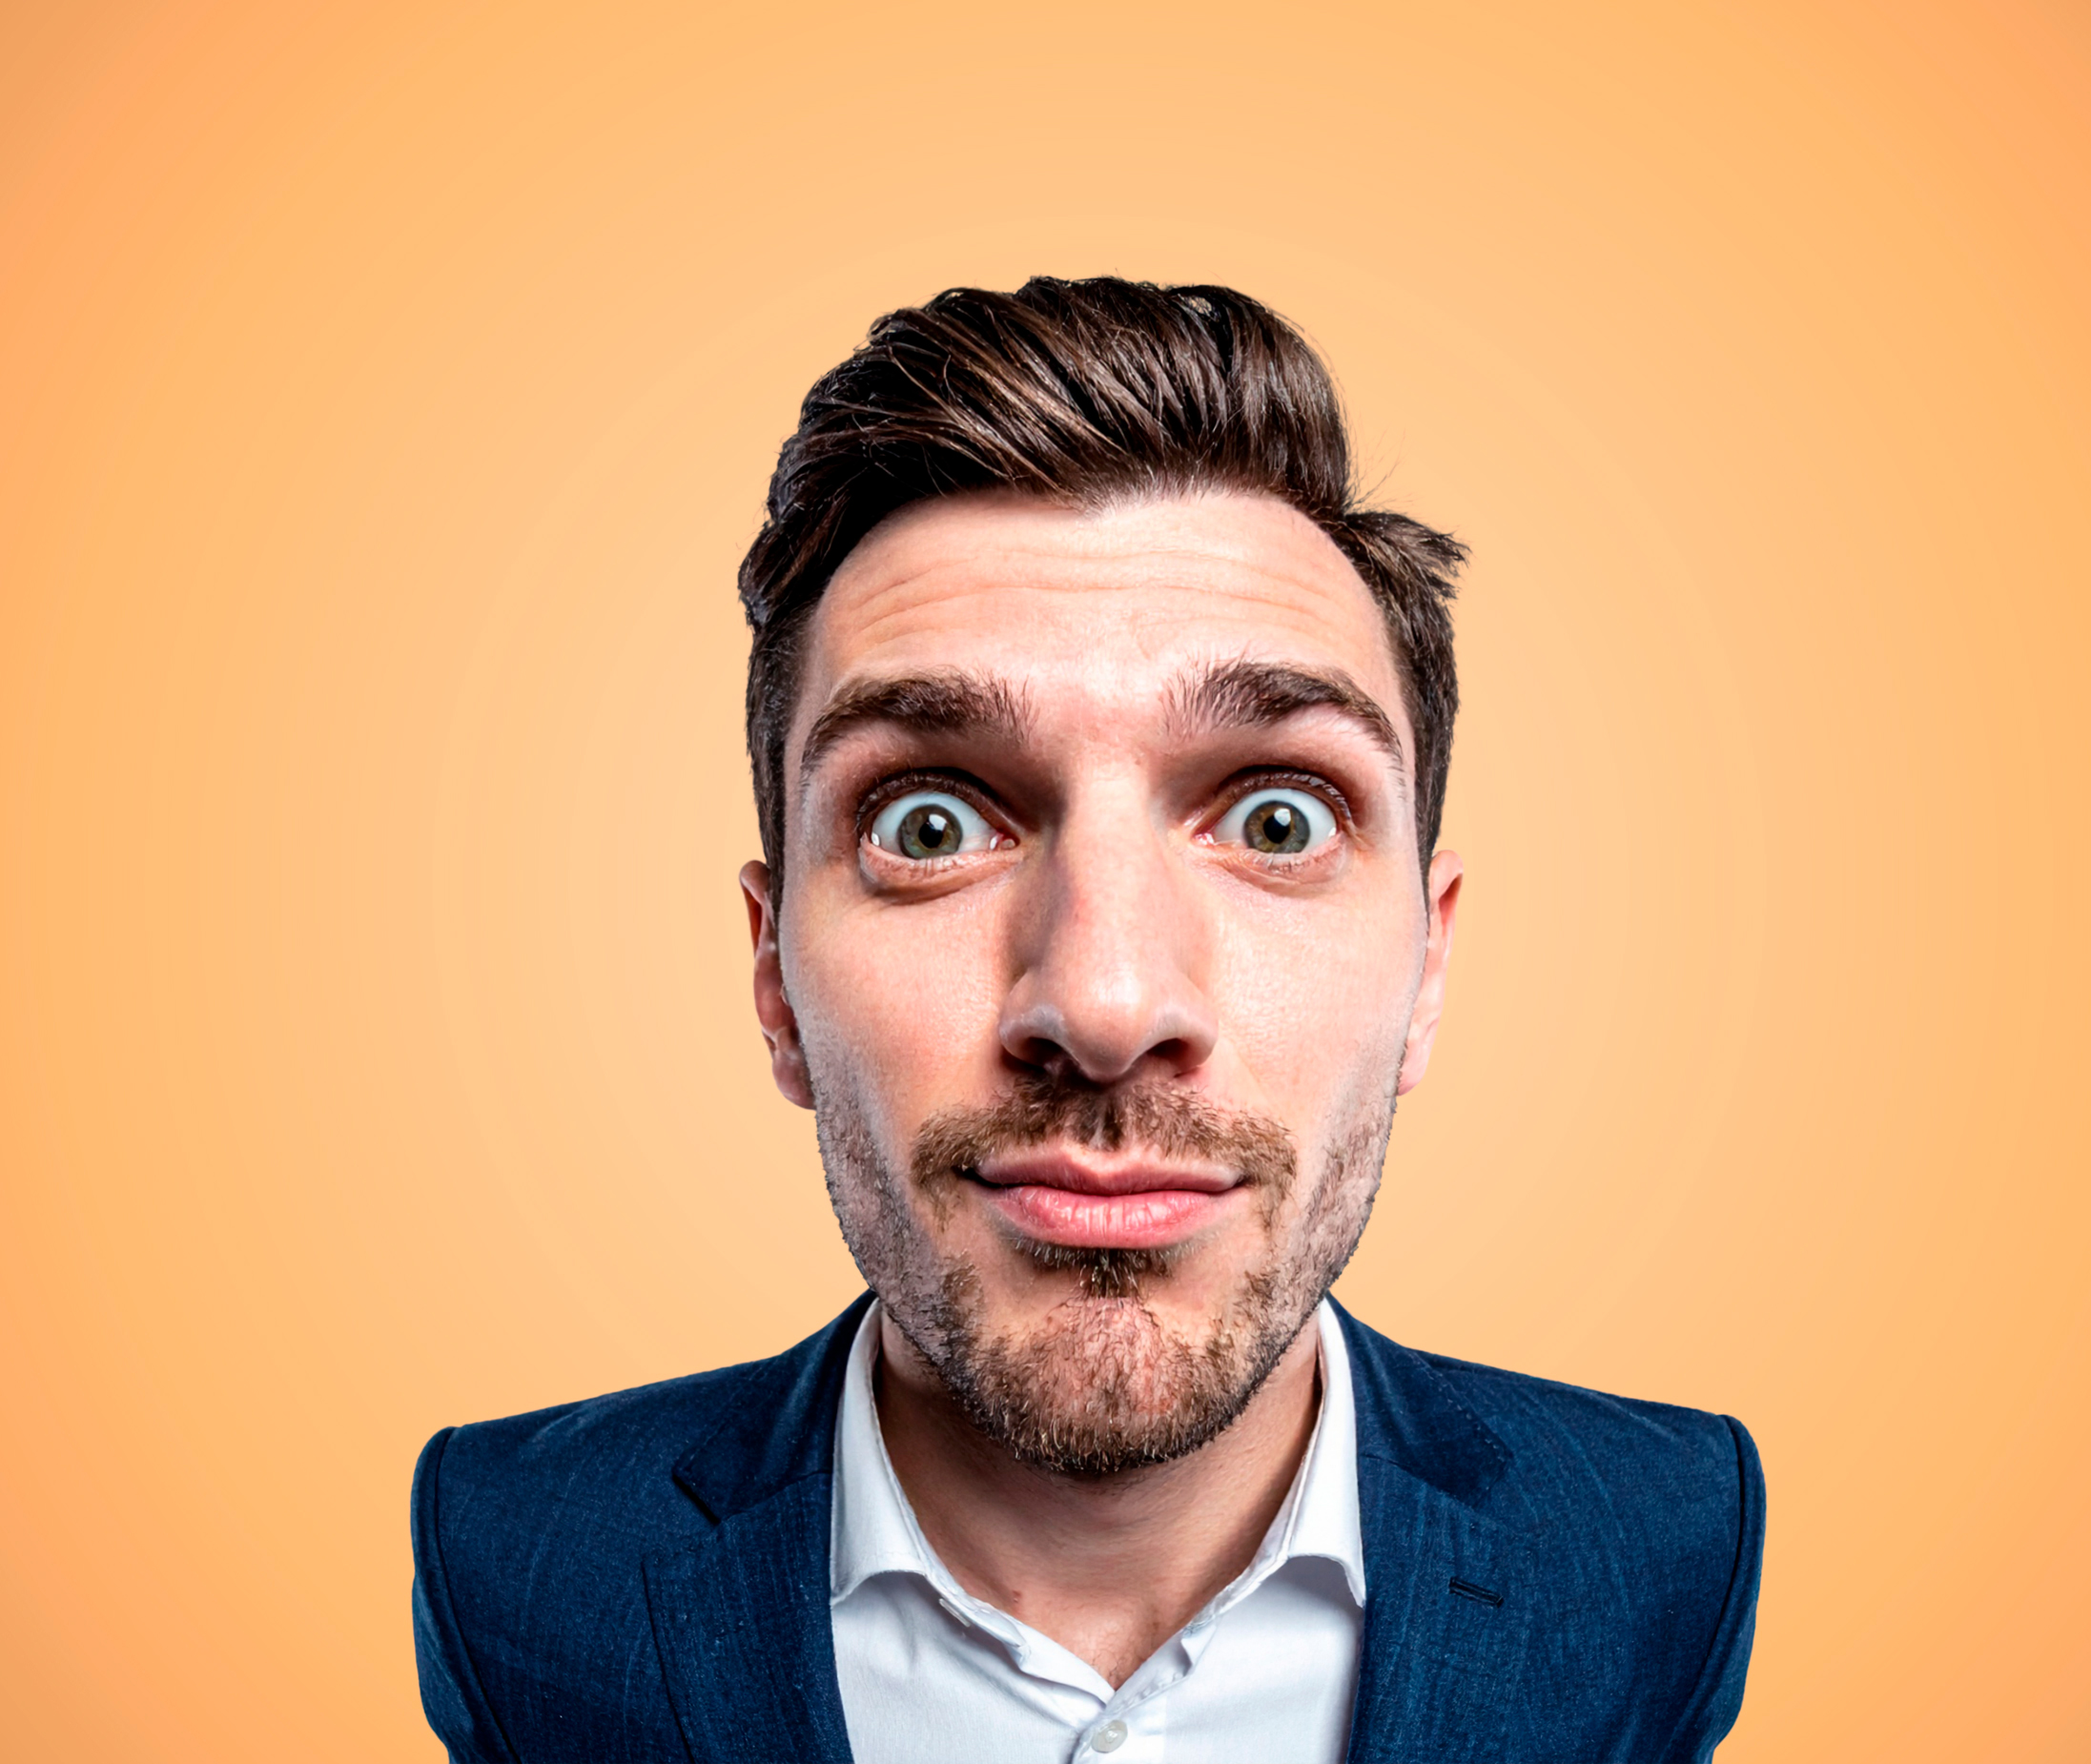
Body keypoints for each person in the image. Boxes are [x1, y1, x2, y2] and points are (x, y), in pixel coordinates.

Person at [410, 277, 1764, 1764]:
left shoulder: (1666, 1538)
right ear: (775, 977)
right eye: (928, 824)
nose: (1107, 1006)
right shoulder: (515, 1559)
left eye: (1275, 812)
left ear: (1426, 970)